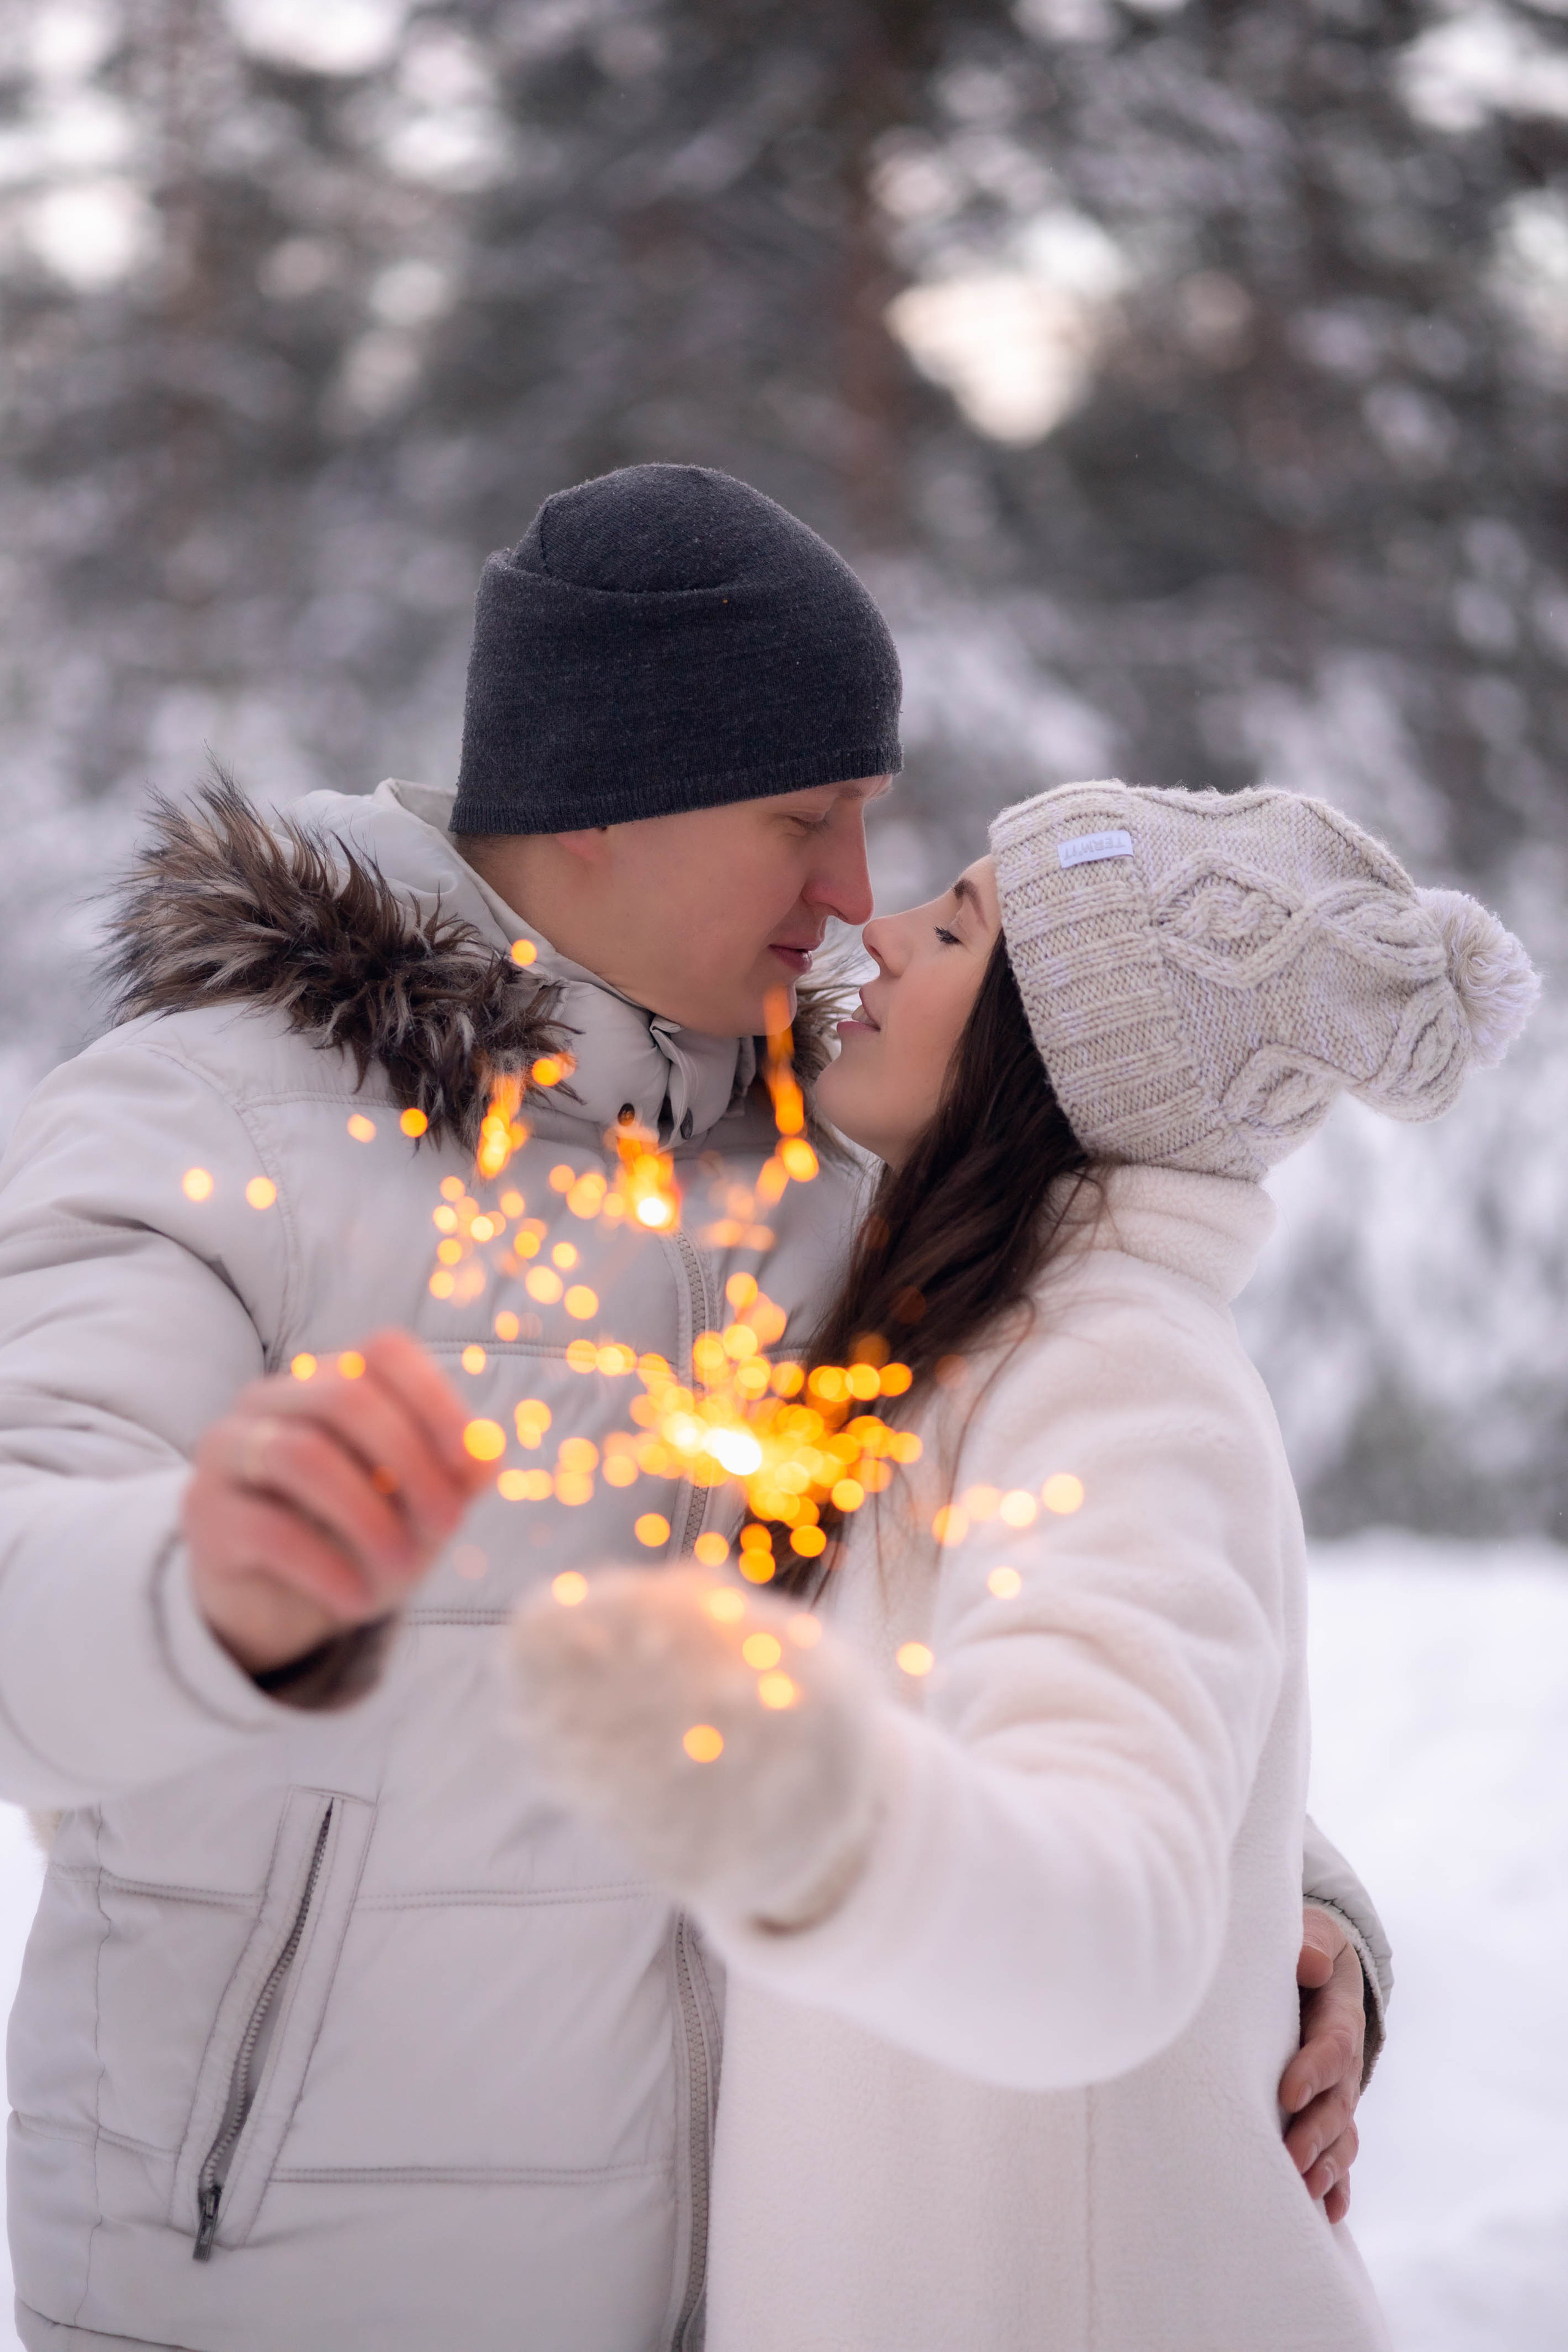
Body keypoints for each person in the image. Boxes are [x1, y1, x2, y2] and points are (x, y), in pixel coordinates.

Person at [0, 466, 1383, 2352]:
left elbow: (1025, 1600)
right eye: (804, 818)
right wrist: (201, 1584)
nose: (854, 898)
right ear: (595, 808)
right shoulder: (209, 1126)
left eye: (875, 824)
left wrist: (1283, 1911)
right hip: (282, 2287)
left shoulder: (838, 1180)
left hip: (734, 2292)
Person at [510, 777, 1538, 2350]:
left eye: (952, 925)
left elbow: (1099, 1870)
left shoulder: (1112, 1379)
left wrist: (813, 1808)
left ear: (1053, 1059)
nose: (877, 928)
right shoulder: (961, 1337)